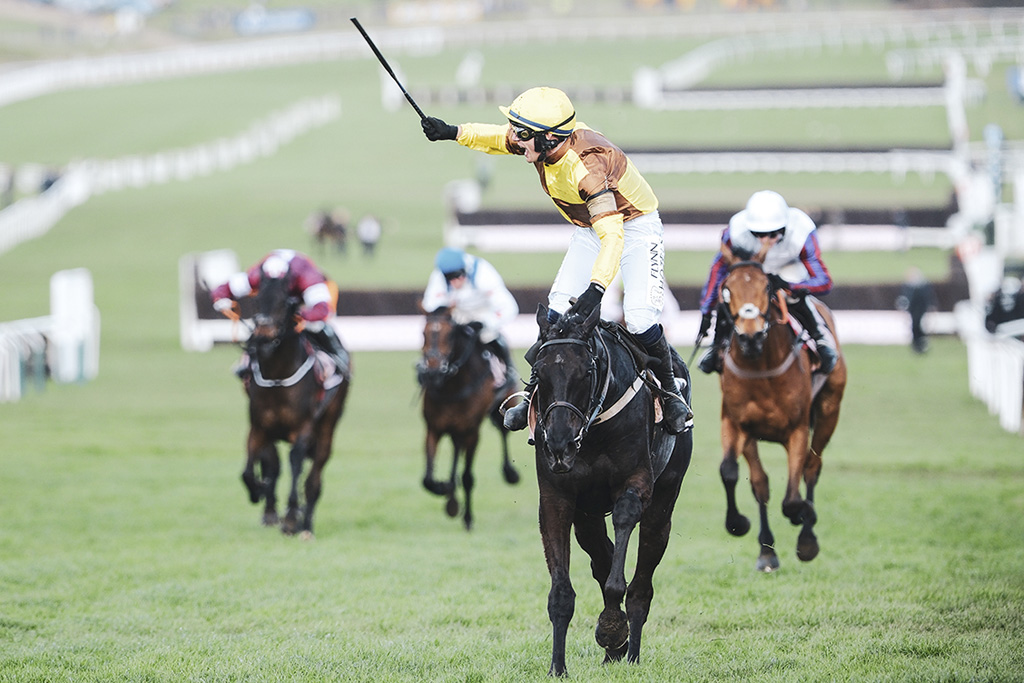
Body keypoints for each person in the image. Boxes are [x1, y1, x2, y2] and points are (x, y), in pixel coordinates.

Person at [421, 86, 692, 434]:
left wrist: (596, 289)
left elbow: (614, 237)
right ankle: (533, 395)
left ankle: (670, 393)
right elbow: (496, 138)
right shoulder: (545, 141)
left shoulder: (587, 169)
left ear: (549, 138)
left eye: (523, 134)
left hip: (634, 226)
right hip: (590, 226)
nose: (516, 140)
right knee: (554, 311)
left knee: (639, 319)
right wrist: (452, 133)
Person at [697, 190, 838, 375]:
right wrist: (707, 310)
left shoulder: (802, 232)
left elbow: (824, 282)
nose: (766, 240)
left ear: (785, 228)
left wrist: (789, 286)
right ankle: (717, 345)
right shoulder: (736, 231)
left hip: (788, 269)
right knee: (730, 294)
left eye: (773, 234)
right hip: (753, 270)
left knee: (792, 298)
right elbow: (718, 270)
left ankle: (819, 338)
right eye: (759, 234)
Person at [210, 249, 349, 377]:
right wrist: (221, 299)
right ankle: (248, 360)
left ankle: (338, 356)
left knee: (318, 325)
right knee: (263, 324)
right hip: (276, 304)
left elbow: (322, 310)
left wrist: (302, 316)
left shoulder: (306, 276)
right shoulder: (256, 275)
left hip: (309, 296)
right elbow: (225, 288)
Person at [422, 247, 519, 388]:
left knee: (489, 336)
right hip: (457, 312)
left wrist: (486, 323)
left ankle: (508, 371)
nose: (455, 282)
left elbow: (508, 308)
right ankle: (428, 368)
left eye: (458, 276)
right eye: (450, 278)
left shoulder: (483, 273)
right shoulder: (438, 276)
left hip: (484, 312)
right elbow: (431, 305)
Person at [896, 266, 936, 353]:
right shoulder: (908, 286)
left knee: (921, 326)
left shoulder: (923, 285)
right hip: (913, 311)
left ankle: (922, 344)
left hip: (921, 310)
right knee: (914, 326)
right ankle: (916, 345)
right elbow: (905, 298)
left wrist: (931, 306)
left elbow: (928, 297)